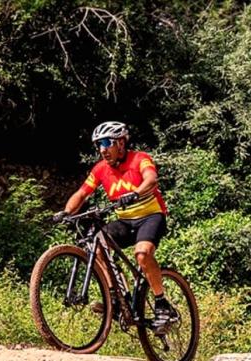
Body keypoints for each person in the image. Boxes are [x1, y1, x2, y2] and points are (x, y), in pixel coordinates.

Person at [53, 121, 176, 324]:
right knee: (97, 244)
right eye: (98, 145)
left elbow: (151, 179)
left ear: (120, 143)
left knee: (142, 254)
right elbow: (82, 193)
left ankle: (162, 302)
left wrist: (135, 193)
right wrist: (66, 212)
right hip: (125, 220)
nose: (102, 149)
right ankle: (119, 299)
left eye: (106, 143)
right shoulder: (101, 169)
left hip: (151, 216)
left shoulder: (140, 159)